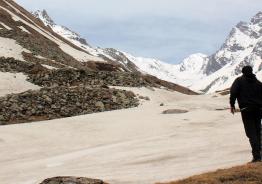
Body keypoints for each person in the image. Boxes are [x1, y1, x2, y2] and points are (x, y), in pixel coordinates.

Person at [230, 65, 262, 163]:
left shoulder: (239, 81)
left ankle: (257, 157)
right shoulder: (258, 83)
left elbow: (233, 93)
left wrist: (232, 105)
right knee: (258, 131)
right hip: (258, 110)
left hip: (246, 110)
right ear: (252, 71)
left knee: (251, 133)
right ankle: (259, 154)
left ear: (243, 72)